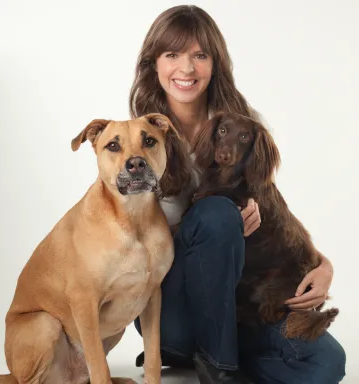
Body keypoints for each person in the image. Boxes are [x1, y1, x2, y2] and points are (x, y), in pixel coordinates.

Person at [129, 5, 346, 384]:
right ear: (154, 63)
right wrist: (218, 225)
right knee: (216, 213)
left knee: (327, 364)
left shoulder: (247, 125)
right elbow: (127, 233)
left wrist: (321, 264)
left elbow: (274, 211)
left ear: (215, 63)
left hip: (238, 303)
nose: (187, 69)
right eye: (172, 54)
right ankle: (215, 364)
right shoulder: (139, 137)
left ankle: (222, 354)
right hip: (173, 308)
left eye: (200, 55)